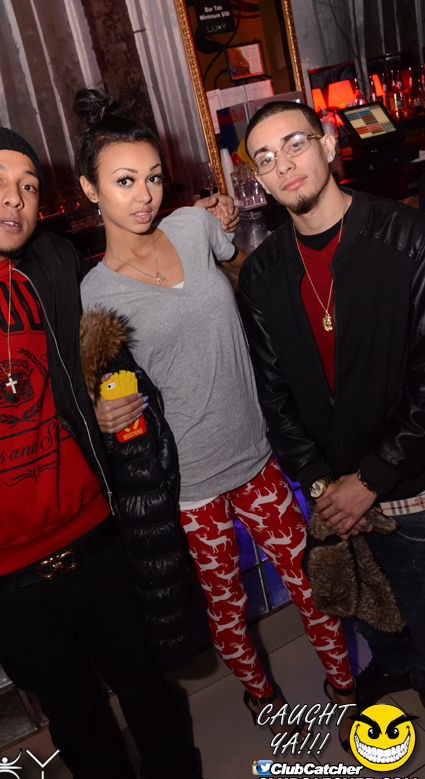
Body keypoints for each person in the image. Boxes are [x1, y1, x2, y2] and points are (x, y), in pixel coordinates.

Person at [0, 125, 241, 779]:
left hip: (95, 531)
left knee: (145, 681)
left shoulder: (52, 261)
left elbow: (100, 338)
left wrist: (105, 393)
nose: (15, 198)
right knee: (71, 711)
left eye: (29, 185)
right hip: (4, 559)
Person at [76, 89, 356, 745]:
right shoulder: (93, 293)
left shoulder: (188, 227)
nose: (144, 195)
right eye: (124, 181)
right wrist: (99, 408)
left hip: (257, 454)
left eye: (152, 177)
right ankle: (263, 699)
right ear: (91, 190)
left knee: (309, 581)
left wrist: (223, 215)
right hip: (191, 484)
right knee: (226, 606)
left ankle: (344, 688)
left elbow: (244, 271)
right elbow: (101, 386)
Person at [240, 100, 425, 712]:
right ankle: (392, 669)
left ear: (327, 145)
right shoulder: (263, 273)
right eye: (266, 157)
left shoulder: (409, 239)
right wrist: (322, 486)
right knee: (370, 612)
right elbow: (274, 395)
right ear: (260, 180)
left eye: (295, 144)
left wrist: (370, 480)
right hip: (332, 497)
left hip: (410, 485)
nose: (284, 164)